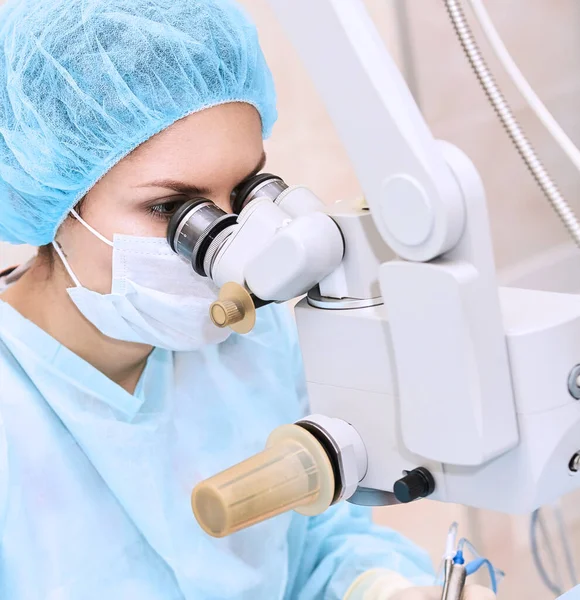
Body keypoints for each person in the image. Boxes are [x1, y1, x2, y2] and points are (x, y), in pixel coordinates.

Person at [0, 0, 495, 598]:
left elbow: (314, 541)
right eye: (171, 210)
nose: (232, 246)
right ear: (55, 197)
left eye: (244, 192)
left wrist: (377, 587)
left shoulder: (255, 339)